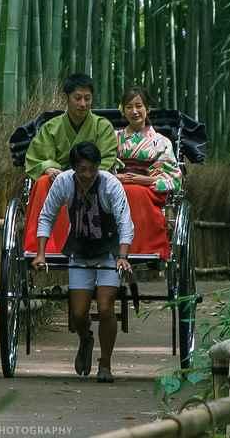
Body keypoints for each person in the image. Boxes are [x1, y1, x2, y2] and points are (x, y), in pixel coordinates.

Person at [32, 142, 134, 383]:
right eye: (82, 170)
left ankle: (105, 363)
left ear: (99, 167)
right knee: (78, 313)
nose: (87, 175)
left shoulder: (110, 185)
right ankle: (85, 338)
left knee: (106, 306)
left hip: (108, 250)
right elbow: (47, 215)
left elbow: (125, 223)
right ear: (74, 168)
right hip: (79, 250)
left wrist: (122, 256)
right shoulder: (64, 182)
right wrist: (40, 253)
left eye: (92, 170)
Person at [23, 74, 118, 254]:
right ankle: (44, 247)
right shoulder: (52, 127)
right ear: (66, 98)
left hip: (92, 180)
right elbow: (37, 159)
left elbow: (106, 159)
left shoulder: (102, 126)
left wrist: (86, 175)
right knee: (43, 182)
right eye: (77, 98)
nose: (83, 103)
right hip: (60, 182)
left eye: (87, 98)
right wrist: (48, 167)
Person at [115, 86, 182, 259]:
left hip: (149, 188)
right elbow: (103, 166)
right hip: (116, 183)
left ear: (147, 109)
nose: (134, 111)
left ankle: (141, 247)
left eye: (139, 106)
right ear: (123, 110)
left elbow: (173, 178)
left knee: (133, 192)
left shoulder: (161, 141)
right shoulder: (113, 137)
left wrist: (142, 180)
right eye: (129, 107)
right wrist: (117, 177)